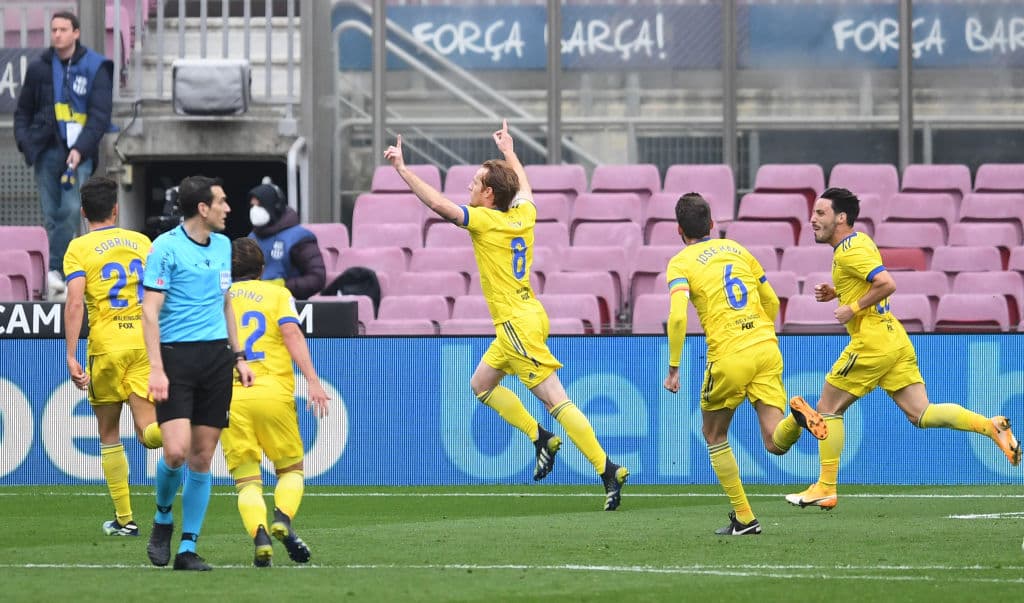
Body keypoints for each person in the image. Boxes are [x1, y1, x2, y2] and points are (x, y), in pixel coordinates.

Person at [384, 121, 629, 511]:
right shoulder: (523, 215)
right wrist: (510, 150)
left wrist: (402, 169)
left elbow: (437, 205)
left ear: (490, 194)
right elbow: (526, 188)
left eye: (476, 182)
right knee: (481, 384)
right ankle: (541, 438)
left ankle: (607, 469)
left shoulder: (486, 221)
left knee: (556, 400)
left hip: (516, 324)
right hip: (529, 313)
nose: (469, 187)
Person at [787, 187, 1022, 510]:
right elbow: (870, 281)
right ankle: (989, 426)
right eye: (814, 213)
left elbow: (887, 283)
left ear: (841, 218)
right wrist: (837, 291)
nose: (813, 219)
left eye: (821, 213)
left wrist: (851, 307)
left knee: (828, 409)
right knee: (922, 413)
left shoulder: (847, 252)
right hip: (893, 338)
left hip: (871, 343)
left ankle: (825, 487)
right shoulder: (860, 241)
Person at [662, 193, 828, 535]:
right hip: (766, 346)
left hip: (729, 353)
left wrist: (674, 366)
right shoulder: (738, 250)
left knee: (713, 433)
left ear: (679, 230)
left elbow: (678, 316)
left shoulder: (680, 263)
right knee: (775, 442)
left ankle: (745, 517)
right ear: (712, 225)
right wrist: (759, 334)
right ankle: (796, 419)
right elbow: (770, 299)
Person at [141, 175, 255, 571]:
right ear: (202, 209)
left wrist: (239, 356)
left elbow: (226, 304)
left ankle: (188, 548)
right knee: (174, 451)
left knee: (203, 457)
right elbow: (149, 312)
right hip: (175, 360)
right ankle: (162, 518)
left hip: (216, 359)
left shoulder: (223, 246)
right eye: (221, 202)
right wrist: (156, 367)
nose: (228, 208)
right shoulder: (164, 249)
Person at [63, 175, 162, 537]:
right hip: (142, 342)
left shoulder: (79, 248)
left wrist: (71, 353)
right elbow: (158, 293)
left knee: (108, 432)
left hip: (106, 344)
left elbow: (75, 301)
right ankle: (183, 424)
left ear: (84, 211)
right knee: (148, 432)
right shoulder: (141, 242)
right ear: (116, 209)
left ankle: (125, 519)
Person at [222, 237, 330, 567]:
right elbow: (291, 334)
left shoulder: (217, 298)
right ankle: (282, 518)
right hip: (272, 392)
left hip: (230, 396)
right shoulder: (277, 294)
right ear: (262, 268)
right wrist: (312, 379)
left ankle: (260, 537)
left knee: (247, 482)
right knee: (291, 471)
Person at [14, 11, 114, 301]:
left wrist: (80, 148)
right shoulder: (39, 68)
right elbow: (23, 111)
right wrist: (24, 142)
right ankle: (56, 277)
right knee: (50, 215)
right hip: (46, 150)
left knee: (70, 211)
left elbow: (99, 115)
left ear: (76, 32)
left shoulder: (94, 66)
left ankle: (55, 271)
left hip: (78, 153)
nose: (57, 34)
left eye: (63, 29)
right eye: (53, 29)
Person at [247, 180, 326, 299]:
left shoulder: (300, 237)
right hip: (255, 306)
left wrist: (284, 286)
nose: (254, 210)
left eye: (259, 206)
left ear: (275, 207)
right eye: (252, 206)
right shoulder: (251, 238)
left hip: (289, 307)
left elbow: (317, 278)